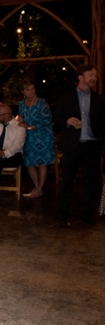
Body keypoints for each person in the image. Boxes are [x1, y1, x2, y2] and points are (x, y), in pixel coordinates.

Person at [54, 65, 104, 224]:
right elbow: (56, 118)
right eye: (91, 75)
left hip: (92, 145)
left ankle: (89, 215)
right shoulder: (66, 97)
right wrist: (67, 121)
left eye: (95, 75)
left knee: (91, 181)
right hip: (72, 144)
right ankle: (63, 212)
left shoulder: (99, 98)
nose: (94, 78)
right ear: (80, 77)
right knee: (67, 179)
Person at [17, 80, 55, 199]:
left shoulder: (41, 102)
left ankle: (39, 189)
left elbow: (47, 119)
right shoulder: (22, 103)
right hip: (29, 136)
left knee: (42, 162)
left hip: (42, 135)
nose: (31, 91)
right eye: (28, 89)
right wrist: (21, 122)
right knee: (29, 162)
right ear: (23, 92)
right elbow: (21, 117)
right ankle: (37, 186)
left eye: (33, 89)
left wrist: (31, 126)